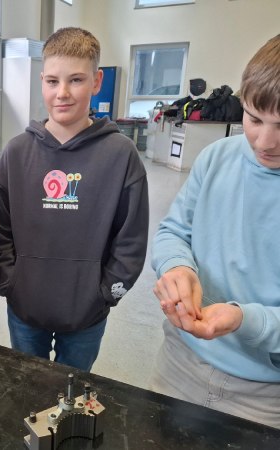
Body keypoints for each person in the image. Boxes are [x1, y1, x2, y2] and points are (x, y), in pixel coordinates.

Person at [0, 27, 149, 371]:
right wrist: (9, 282)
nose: (62, 93)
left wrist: (106, 292)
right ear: (42, 81)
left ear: (96, 81)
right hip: (25, 308)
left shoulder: (121, 155)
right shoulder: (15, 153)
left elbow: (131, 237)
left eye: (76, 80)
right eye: (52, 81)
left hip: (86, 314)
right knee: (27, 385)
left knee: (73, 390)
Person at [150, 34, 280, 429]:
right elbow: (173, 231)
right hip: (179, 361)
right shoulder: (215, 158)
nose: (265, 141)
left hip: (265, 393)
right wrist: (177, 267)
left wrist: (244, 319)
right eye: (254, 119)